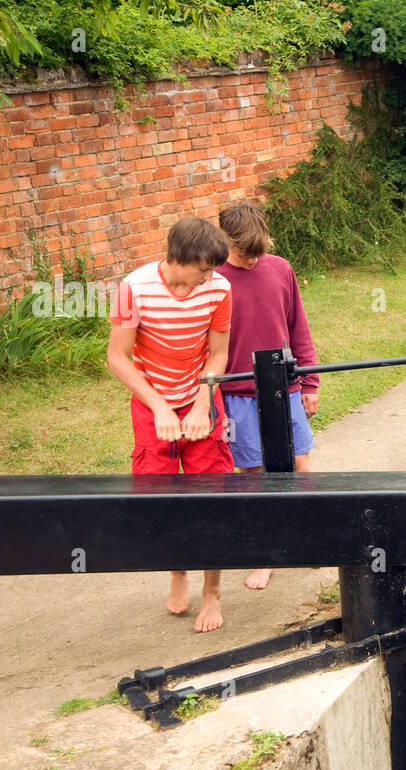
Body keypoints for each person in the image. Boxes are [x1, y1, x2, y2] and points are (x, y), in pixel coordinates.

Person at [107, 217, 233, 633]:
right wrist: (161, 408)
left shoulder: (219, 289)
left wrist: (201, 406)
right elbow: (118, 357)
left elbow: (218, 355)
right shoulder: (133, 289)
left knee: (212, 497)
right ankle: (178, 573)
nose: (210, 276)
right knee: (159, 496)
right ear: (181, 258)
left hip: (200, 396)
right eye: (204, 269)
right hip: (152, 402)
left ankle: (211, 592)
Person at [216, 202, 319, 591]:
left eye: (258, 251)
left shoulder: (280, 268)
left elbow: (299, 329)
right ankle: (267, 552)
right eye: (245, 252)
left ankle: (313, 539)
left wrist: (309, 383)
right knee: (253, 474)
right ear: (226, 240)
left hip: (286, 387)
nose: (253, 259)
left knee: (300, 464)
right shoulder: (213, 279)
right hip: (237, 394)